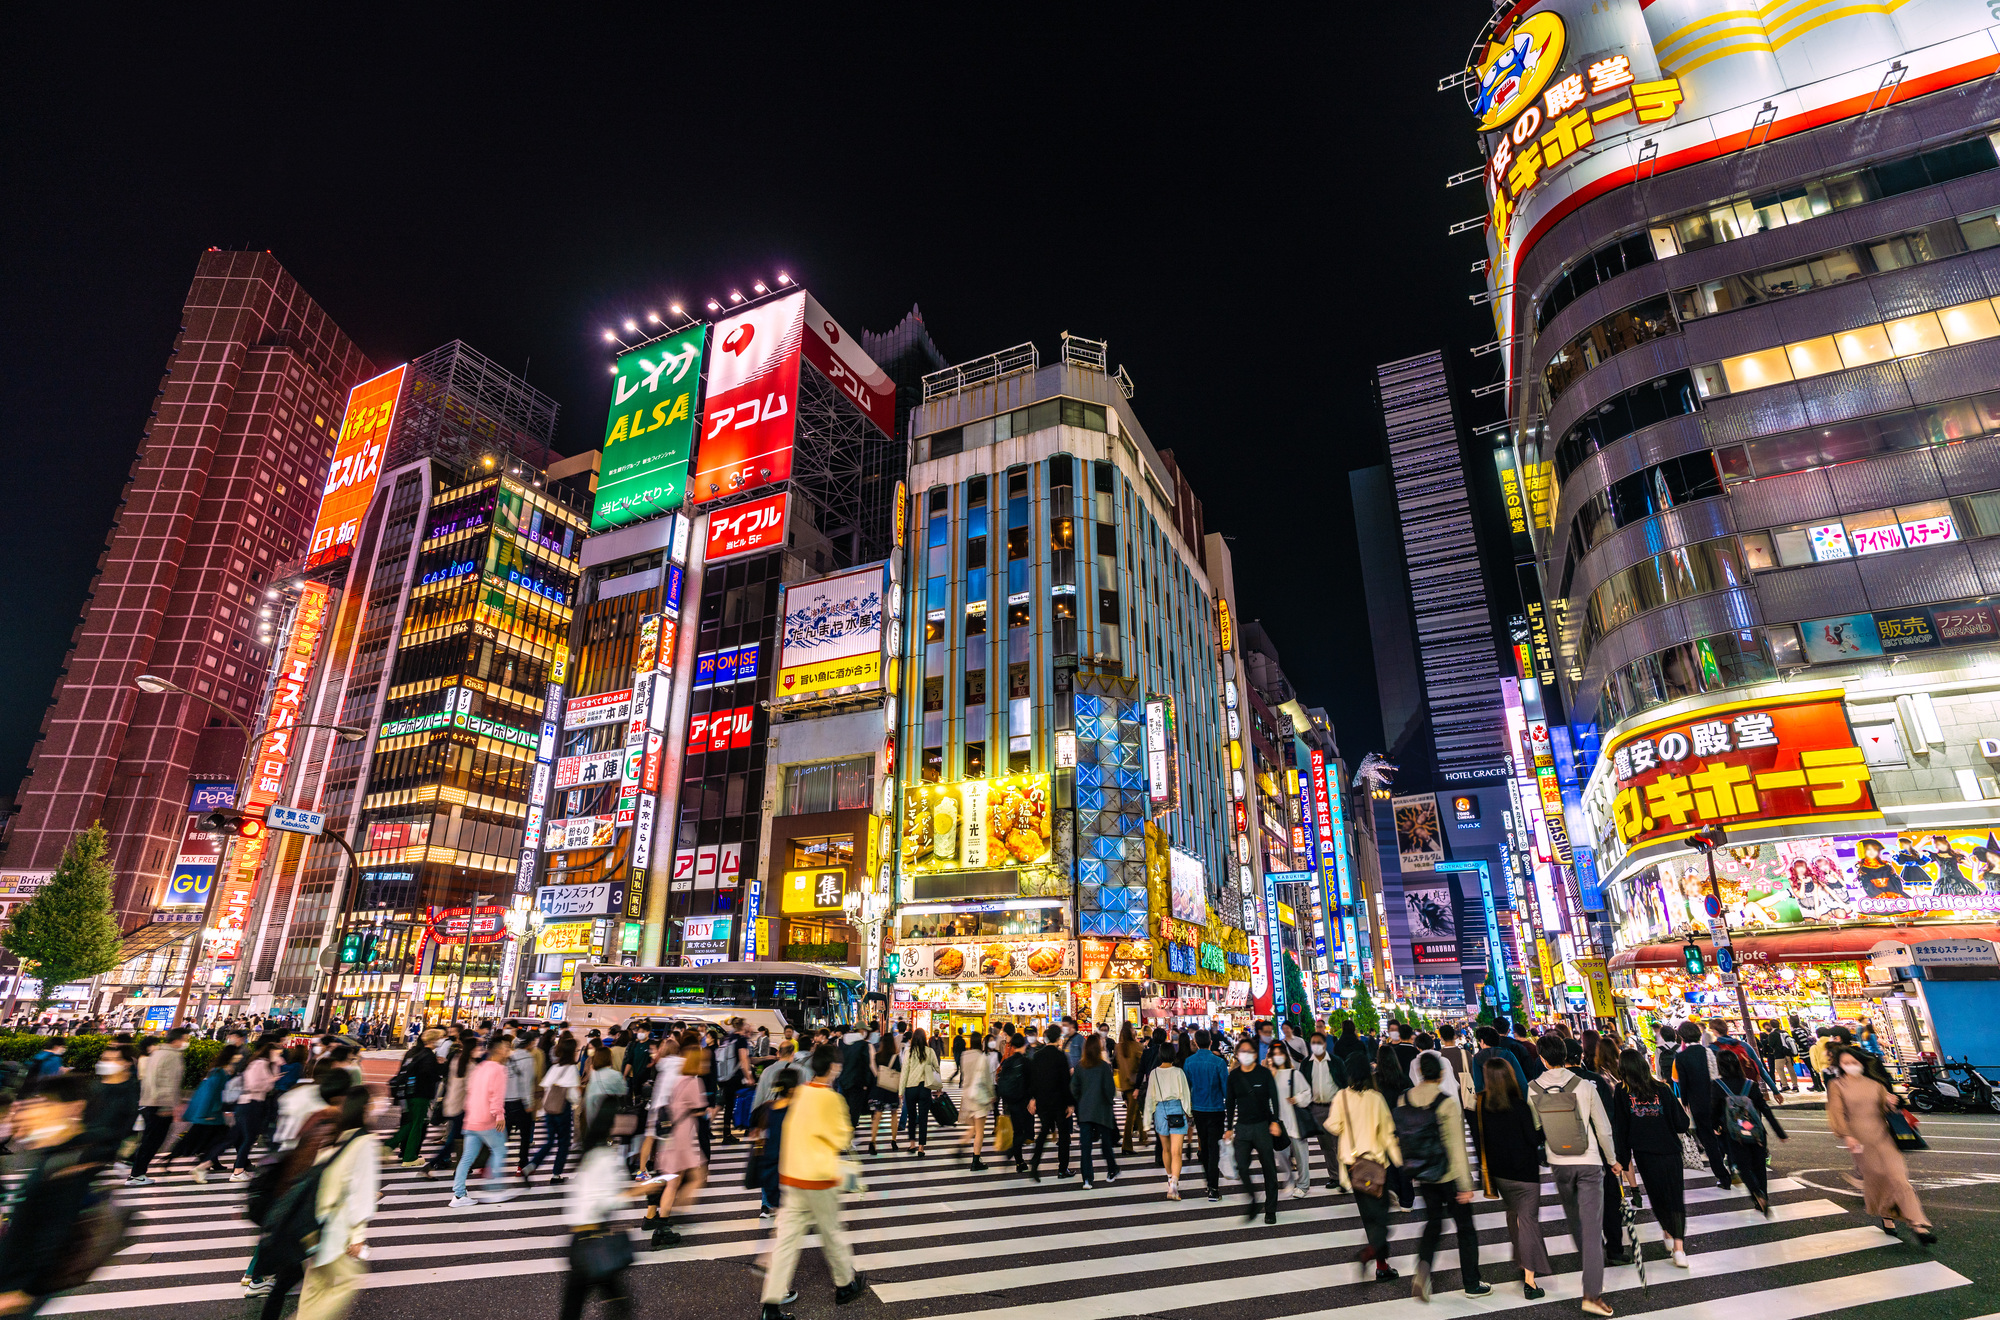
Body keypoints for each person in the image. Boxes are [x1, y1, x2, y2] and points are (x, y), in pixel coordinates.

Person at [759, 1042, 866, 1320]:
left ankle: (771, 1304)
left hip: (792, 1176)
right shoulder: (831, 1098)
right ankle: (845, 1284)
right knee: (832, 1233)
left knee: (785, 1242)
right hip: (819, 1178)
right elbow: (843, 1138)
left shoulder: (802, 1093)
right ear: (833, 1067)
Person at [0, 1074, 109, 1315]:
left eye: (46, 1104)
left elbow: (54, 1233)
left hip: (15, 1289)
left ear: (75, 1107)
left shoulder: (73, 1163)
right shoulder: (56, 1151)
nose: (36, 1110)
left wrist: (21, 1291)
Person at [1530, 1035, 1619, 1317]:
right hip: (1589, 1161)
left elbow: (1536, 1126)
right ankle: (1592, 1293)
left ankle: (1591, 1260)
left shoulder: (1532, 1088)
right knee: (1592, 1228)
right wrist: (1613, 1160)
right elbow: (1602, 1128)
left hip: (1559, 1162)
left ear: (1542, 1059)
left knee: (1577, 1224)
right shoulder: (1584, 1085)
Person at [1826, 1045, 1935, 1242]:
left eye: (1854, 1062)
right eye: (1846, 1063)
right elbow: (1836, 1112)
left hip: (1883, 1136)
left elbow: (1887, 1107)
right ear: (1840, 1065)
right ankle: (1887, 1216)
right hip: (1859, 1140)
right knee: (1877, 1178)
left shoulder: (1876, 1083)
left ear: (1861, 1063)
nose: (1850, 1065)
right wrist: (1846, 1136)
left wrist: (1893, 1103)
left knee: (1898, 1177)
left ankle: (1918, 1226)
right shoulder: (1837, 1085)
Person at [1403, 1052, 1486, 1301]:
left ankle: (1423, 1268)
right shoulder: (1447, 1102)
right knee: (1466, 1230)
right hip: (1448, 1174)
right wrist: (1465, 1184)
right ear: (1440, 1074)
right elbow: (1457, 1148)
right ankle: (1472, 1283)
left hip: (1424, 1173)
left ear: (1419, 1073)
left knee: (1433, 1223)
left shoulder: (1405, 1098)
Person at [1474, 1058, 1551, 1297]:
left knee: (1513, 1215)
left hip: (1500, 1173)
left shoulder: (1481, 1105)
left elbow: (1480, 1141)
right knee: (1528, 1220)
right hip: (1525, 1172)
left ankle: (1521, 1259)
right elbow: (1532, 1138)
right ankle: (1530, 1280)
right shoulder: (1519, 1106)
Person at [1610, 1048, 1690, 1268]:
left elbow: (1621, 1129)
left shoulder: (1622, 1091)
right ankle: (1679, 1248)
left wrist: (1621, 1159)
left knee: (1657, 1196)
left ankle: (1667, 1232)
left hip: (1645, 1154)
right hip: (1671, 1151)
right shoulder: (1662, 1089)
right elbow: (1682, 1123)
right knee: (1675, 1197)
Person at [1330, 1054, 1401, 1281]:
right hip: (1377, 1164)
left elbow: (1331, 1125)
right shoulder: (1376, 1099)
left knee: (1369, 1217)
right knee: (1381, 1218)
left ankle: (1381, 1263)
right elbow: (1388, 1133)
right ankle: (1373, 1256)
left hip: (1354, 1166)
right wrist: (1400, 1161)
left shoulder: (1341, 1097)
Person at [644, 1043, 709, 1247]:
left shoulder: (678, 1079)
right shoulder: (693, 1083)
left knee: (673, 1181)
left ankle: (661, 1223)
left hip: (670, 1136)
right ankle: (668, 1218)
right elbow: (700, 1109)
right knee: (694, 1177)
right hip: (682, 1137)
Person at [1710, 1048, 1787, 1216]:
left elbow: (1714, 1111)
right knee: (1759, 1167)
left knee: (1743, 1166)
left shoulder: (1717, 1085)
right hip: (1756, 1132)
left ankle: (1756, 1193)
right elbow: (1765, 1109)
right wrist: (1780, 1133)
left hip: (1735, 1135)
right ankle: (1763, 1197)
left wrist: (1716, 1127)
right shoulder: (1750, 1085)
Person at [449, 1035, 517, 1208]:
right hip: (488, 1120)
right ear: (500, 1050)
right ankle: (494, 1189)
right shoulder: (499, 1070)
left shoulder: (480, 1067)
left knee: (466, 1157)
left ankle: (458, 1195)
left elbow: (470, 1091)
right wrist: (499, 1115)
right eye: (507, 1048)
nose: (509, 1052)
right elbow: (496, 1095)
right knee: (499, 1150)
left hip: (471, 1119)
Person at [1223, 1034, 1281, 1224]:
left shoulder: (1263, 1074)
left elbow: (1274, 1097)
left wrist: (1275, 1121)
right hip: (1243, 1128)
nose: (1245, 1055)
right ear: (1238, 1054)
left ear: (1255, 1054)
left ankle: (1270, 1209)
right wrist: (1229, 1127)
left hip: (1263, 1126)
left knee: (1269, 1169)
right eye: (1242, 1052)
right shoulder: (1234, 1076)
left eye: (1249, 1052)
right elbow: (1230, 1103)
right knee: (1241, 1166)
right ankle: (1254, 1199)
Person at [1670, 1020, 1732, 1188]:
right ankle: (1732, 1164)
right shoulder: (1708, 1052)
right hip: (1715, 1099)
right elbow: (1716, 1076)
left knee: (1708, 1140)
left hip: (1697, 1104)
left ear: (1682, 1037)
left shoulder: (1681, 1057)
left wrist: (1685, 1102)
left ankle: (1723, 1177)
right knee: (1723, 1133)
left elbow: (1683, 1083)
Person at [125, 1026, 187, 1186]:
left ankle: (136, 1172)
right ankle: (137, 1174)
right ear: (176, 1040)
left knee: (149, 1139)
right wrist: (167, 1106)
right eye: (185, 1039)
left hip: (148, 1102)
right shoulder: (172, 1056)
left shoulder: (157, 1053)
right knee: (153, 1140)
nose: (186, 1042)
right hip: (160, 1105)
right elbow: (168, 1082)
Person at [176, 1043, 241, 1183]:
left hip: (217, 1114)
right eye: (237, 1054)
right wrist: (209, 1112)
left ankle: (204, 1166)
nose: (240, 1056)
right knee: (223, 1142)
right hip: (214, 1114)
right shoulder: (219, 1073)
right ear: (230, 1056)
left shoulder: (222, 1071)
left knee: (219, 1142)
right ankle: (202, 1167)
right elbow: (211, 1094)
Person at [1069, 1032, 1120, 1189]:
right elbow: (1109, 1089)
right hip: (1102, 1110)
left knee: (1085, 1147)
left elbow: (1074, 1088)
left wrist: (1080, 1100)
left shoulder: (1079, 1066)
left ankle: (1087, 1179)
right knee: (1106, 1143)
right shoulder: (1104, 1067)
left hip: (1084, 1110)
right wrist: (1108, 1100)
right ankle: (1112, 1169)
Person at [528, 1036, 582, 1183]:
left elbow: (546, 1086)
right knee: (563, 1143)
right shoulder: (571, 1069)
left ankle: (532, 1164)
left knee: (550, 1141)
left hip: (549, 1109)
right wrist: (578, 1103)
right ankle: (556, 1174)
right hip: (562, 1110)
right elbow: (573, 1095)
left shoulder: (555, 1067)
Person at [1184, 1028, 1229, 1202]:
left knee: (1204, 1147)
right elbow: (1225, 1089)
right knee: (1214, 1148)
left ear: (1195, 1043)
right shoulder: (1219, 1062)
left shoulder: (1189, 1062)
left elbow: (1187, 1087)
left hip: (1198, 1109)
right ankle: (1213, 1187)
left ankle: (1209, 1184)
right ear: (1211, 1042)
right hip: (1216, 1109)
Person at [1142, 1042, 1192, 1199]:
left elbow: (1150, 1098)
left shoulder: (1154, 1073)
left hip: (1160, 1111)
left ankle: (1170, 1178)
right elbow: (1185, 1095)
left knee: (1166, 1149)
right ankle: (1174, 1185)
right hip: (1177, 1109)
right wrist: (1189, 1113)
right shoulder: (1178, 1072)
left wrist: (1146, 1121)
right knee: (1177, 1151)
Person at [424, 1035, 475, 1178]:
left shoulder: (458, 1059)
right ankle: (434, 1164)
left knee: (458, 1138)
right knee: (455, 1140)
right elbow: (471, 1087)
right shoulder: (467, 1064)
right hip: (462, 1106)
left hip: (455, 1104)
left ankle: (462, 1166)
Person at [1028, 1024, 1074, 1181]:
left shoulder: (1038, 1055)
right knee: (1063, 1135)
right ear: (1058, 1038)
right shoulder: (1061, 1056)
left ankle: (1035, 1163)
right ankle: (1062, 1169)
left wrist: (1033, 1098)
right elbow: (1065, 1082)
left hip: (1043, 1101)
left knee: (1044, 1131)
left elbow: (1033, 1079)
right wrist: (1070, 1103)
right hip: (1059, 1102)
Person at [82, 1043, 140, 1167]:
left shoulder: (132, 1089)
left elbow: (130, 1122)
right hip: (85, 1146)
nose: (103, 1063)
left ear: (126, 1064)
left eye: (109, 1060)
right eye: (103, 1059)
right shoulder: (93, 1086)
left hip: (108, 1149)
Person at [392, 1031, 443, 1168]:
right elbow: (428, 1074)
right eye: (438, 1038)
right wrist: (439, 1070)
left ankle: (389, 1145)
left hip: (411, 1093)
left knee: (410, 1124)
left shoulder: (418, 1054)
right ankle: (409, 1157)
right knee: (417, 1126)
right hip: (421, 1094)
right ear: (433, 1040)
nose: (440, 1041)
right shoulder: (428, 1056)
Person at [899, 1028, 942, 1158]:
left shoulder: (909, 1052)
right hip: (925, 1088)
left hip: (911, 1087)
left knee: (911, 1117)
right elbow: (937, 1068)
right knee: (923, 1119)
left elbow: (904, 1072)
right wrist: (939, 1087)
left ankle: (912, 1144)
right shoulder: (929, 1051)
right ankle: (921, 1147)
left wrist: (901, 1091)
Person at [995, 1033, 1032, 1173]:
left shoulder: (1007, 1062)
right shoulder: (1026, 1062)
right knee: (1023, 1132)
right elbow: (1031, 1083)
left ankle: (1019, 1162)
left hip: (1010, 1101)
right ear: (1023, 1045)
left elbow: (1000, 1078)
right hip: (1024, 1102)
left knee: (1017, 1131)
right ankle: (1012, 1153)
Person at [958, 1031, 994, 1171]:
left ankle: (960, 1146)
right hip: (979, 1096)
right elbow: (986, 1080)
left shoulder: (964, 1055)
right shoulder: (982, 1058)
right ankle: (975, 1160)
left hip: (967, 1095)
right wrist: (992, 1094)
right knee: (980, 1130)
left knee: (973, 1127)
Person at [865, 1035, 902, 1155]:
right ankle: (894, 1140)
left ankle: (873, 1141)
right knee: (894, 1114)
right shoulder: (895, 1057)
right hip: (891, 1089)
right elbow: (899, 1072)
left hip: (878, 1088)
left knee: (877, 1115)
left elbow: (872, 1072)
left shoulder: (877, 1056)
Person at [715, 1019, 751, 1144]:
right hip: (734, 1077)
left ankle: (727, 1134)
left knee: (727, 1106)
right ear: (742, 1027)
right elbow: (743, 1059)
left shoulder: (727, 1038)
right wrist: (749, 1077)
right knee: (750, 1095)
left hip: (724, 1077)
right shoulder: (741, 1039)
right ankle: (746, 1126)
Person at [1114, 1022, 1144, 1154]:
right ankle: (1127, 1145)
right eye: (1132, 1028)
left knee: (1135, 1111)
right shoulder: (1137, 1046)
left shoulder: (1118, 1047)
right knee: (1131, 1116)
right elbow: (1141, 1065)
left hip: (1124, 1084)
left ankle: (1143, 1136)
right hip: (1135, 1084)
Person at [1758, 1020, 1798, 1094]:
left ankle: (1785, 1085)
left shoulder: (1772, 1034)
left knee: (1780, 1070)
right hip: (1788, 1053)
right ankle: (1795, 1085)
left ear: (1771, 1025)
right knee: (1791, 1070)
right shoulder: (1784, 1032)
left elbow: (1771, 1044)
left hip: (1779, 1055)